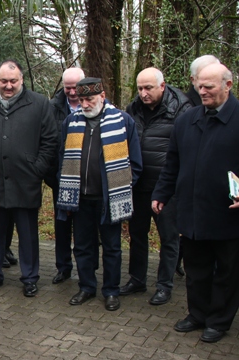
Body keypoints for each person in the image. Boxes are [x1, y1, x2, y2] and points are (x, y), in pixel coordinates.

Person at [153, 63, 239, 343]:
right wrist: (161, 194)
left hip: (227, 213)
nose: (202, 91)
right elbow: (173, 163)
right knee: (196, 268)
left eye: (209, 87)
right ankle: (197, 314)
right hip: (192, 210)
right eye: (199, 86)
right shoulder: (186, 120)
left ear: (228, 85)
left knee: (227, 271)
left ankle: (219, 320)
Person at [0, 59, 58, 298]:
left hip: (25, 179)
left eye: (13, 81)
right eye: (3, 81)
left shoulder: (39, 103)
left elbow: (50, 141)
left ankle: (30, 278)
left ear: (22, 80)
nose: (8, 86)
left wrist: (37, 168)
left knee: (27, 234)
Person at [57, 77, 142, 311]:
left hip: (109, 199)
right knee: (83, 245)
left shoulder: (123, 121)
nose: (84, 104)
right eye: (81, 99)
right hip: (80, 199)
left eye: (90, 99)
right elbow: (62, 159)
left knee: (112, 246)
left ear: (102, 97)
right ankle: (86, 287)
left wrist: (120, 187)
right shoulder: (70, 123)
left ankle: (111, 291)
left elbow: (135, 163)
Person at [121, 67, 191, 306]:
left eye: (148, 88)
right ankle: (137, 279)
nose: (143, 93)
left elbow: (186, 151)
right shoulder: (133, 109)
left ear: (162, 86)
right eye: (140, 88)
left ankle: (164, 285)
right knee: (137, 235)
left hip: (167, 189)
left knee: (168, 238)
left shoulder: (182, 109)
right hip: (138, 185)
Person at [46, 67, 85, 284]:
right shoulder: (52, 107)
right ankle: (63, 267)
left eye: (75, 88)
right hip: (59, 178)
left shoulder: (92, 104)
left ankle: (85, 267)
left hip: (86, 180)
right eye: (67, 87)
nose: (71, 92)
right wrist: (52, 176)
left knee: (83, 228)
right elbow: (48, 143)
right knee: (62, 226)